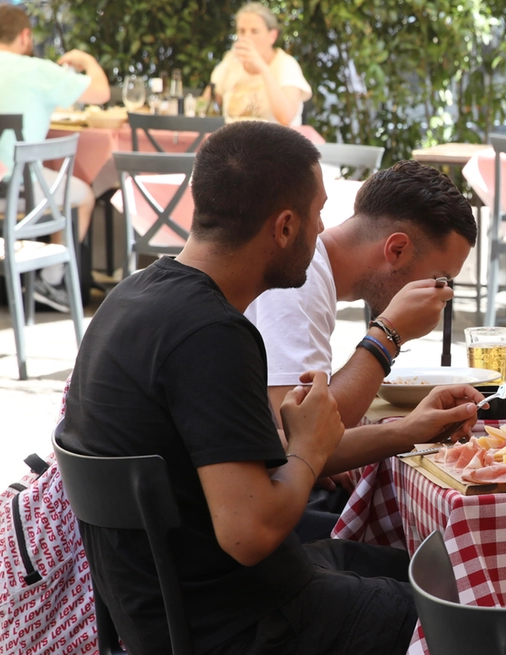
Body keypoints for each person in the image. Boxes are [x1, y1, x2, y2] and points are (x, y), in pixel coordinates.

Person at [60, 121, 483, 654]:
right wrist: (306, 449)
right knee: (472, 609)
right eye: (317, 213)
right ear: (285, 227)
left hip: (180, 606)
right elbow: (250, 532)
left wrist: (405, 432)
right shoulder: (210, 335)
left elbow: (249, 471)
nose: (325, 230)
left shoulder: (133, 297)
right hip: (238, 625)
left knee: (449, 575)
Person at [247, 160, 477, 430]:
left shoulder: (312, 271)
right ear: (397, 250)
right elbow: (306, 432)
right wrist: (389, 333)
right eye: (439, 279)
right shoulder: (300, 279)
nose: (443, 294)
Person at [0, 3, 109, 311]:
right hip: (20, 190)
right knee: (83, 196)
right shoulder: (37, 70)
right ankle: (49, 280)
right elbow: (101, 93)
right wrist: (86, 59)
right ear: (25, 36)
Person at [209, 2, 311, 127]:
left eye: (255, 31)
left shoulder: (286, 65)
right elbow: (208, 104)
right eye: (241, 31)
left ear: (272, 36)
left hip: (274, 142)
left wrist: (262, 67)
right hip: (233, 141)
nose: (246, 37)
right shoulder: (231, 61)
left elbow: (286, 118)